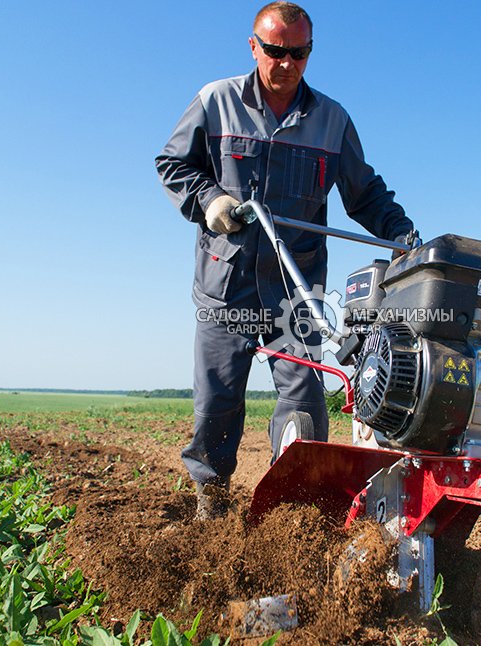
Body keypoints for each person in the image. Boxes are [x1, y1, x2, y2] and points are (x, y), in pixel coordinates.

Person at [155, 1, 414, 519]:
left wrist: (403, 235)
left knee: (304, 401)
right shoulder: (216, 101)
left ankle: (289, 511)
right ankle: (212, 503)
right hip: (224, 287)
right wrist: (209, 201)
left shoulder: (331, 120)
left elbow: (364, 195)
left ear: (309, 52)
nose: (286, 63)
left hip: (293, 293)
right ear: (254, 46)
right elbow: (172, 163)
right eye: (275, 51)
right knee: (216, 406)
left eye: (298, 53)